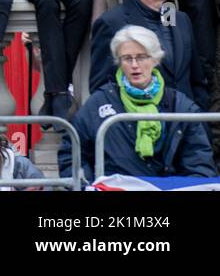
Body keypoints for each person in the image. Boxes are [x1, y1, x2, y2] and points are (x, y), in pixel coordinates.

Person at [61, 25, 216, 183]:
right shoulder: (99, 103)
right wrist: (86, 185)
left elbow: (199, 164)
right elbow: (71, 153)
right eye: (127, 58)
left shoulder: (181, 106)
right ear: (119, 62)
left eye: (141, 57)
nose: (134, 65)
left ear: (155, 59)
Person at [90, 0, 203, 102]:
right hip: (142, 121)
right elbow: (101, 89)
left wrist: (199, 119)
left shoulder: (180, 19)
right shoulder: (112, 24)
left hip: (186, 120)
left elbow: (197, 80)